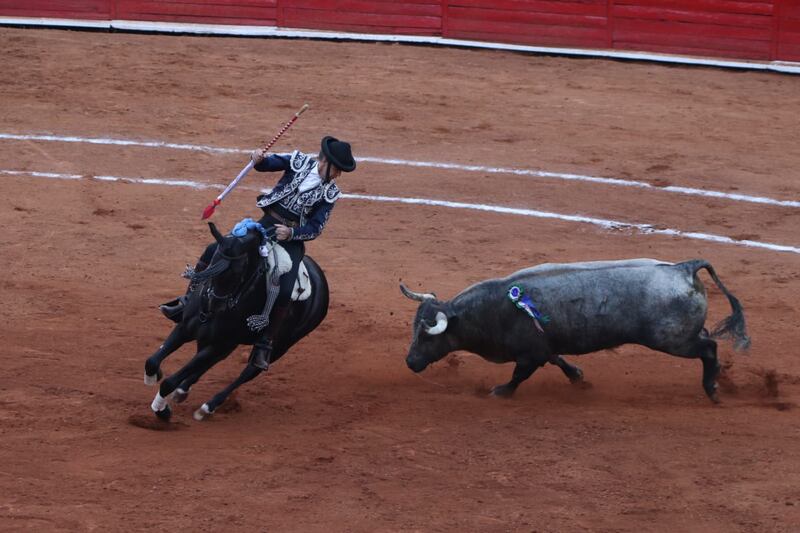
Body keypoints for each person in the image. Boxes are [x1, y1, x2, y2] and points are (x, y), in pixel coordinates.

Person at [160, 135, 356, 370]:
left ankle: (265, 342)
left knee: (285, 289)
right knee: (215, 249)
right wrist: (258, 159)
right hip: (263, 225)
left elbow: (316, 227)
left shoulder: (330, 193)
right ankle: (188, 301)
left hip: (290, 240)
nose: (338, 175)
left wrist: (292, 234)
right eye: (337, 169)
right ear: (326, 162)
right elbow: (269, 164)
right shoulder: (299, 161)